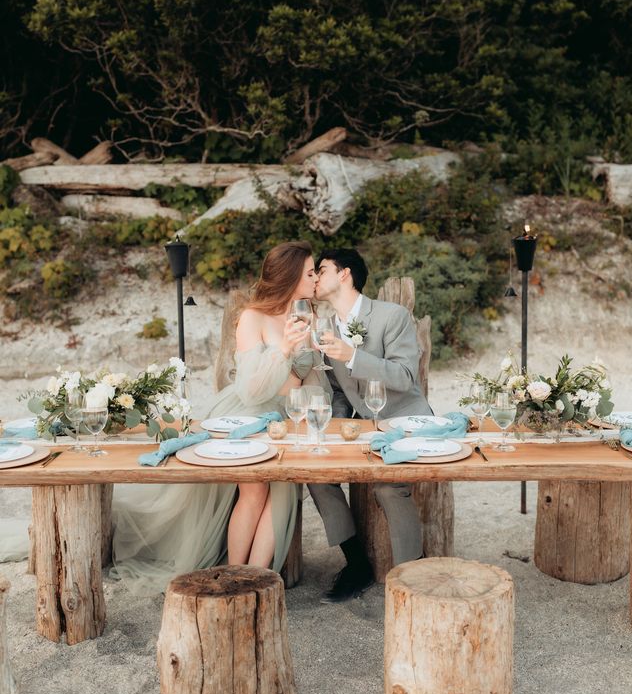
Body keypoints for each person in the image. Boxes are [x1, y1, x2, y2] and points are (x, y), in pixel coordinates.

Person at [111, 240, 327, 595]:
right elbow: (252, 390)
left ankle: (253, 582)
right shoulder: (252, 319)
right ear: (291, 277)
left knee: (285, 490)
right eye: (309, 272)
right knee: (255, 491)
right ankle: (231, 574)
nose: (316, 277)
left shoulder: (308, 317)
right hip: (245, 415)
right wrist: (286, 349)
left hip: (287, 417)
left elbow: (303, 380)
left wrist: (309, 358)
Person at [307, 247, 433, 603]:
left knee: (387, 486)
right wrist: (334, 429)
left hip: (405, 417)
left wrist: (353, 356)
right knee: (317, 474)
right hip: (361, 425)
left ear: (344, 274)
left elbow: (406, 377)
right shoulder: (326, 329)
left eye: (322, 269)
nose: (316, 277)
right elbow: (339, 390)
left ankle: (414, 572)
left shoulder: (392, 316)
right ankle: (357, 564)